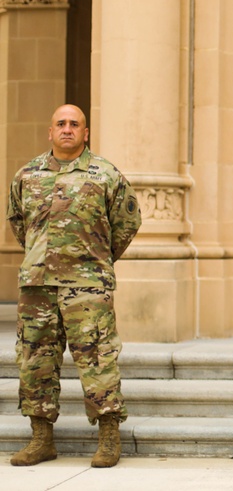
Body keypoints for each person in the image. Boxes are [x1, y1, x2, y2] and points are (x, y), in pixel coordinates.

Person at [7, 104, 141, 468]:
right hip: (37, 285)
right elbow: (18, 222)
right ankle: (41, 439)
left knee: (97, 360)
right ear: (50, 132)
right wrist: (42, 256)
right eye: (61, 124)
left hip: (87, 285)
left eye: (75, 124)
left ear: (86, 133)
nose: (67, 129)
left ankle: (109, 438)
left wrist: (95, 259)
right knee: (35, 362)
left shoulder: (105, 174)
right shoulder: (26, 175)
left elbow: (127, 222)